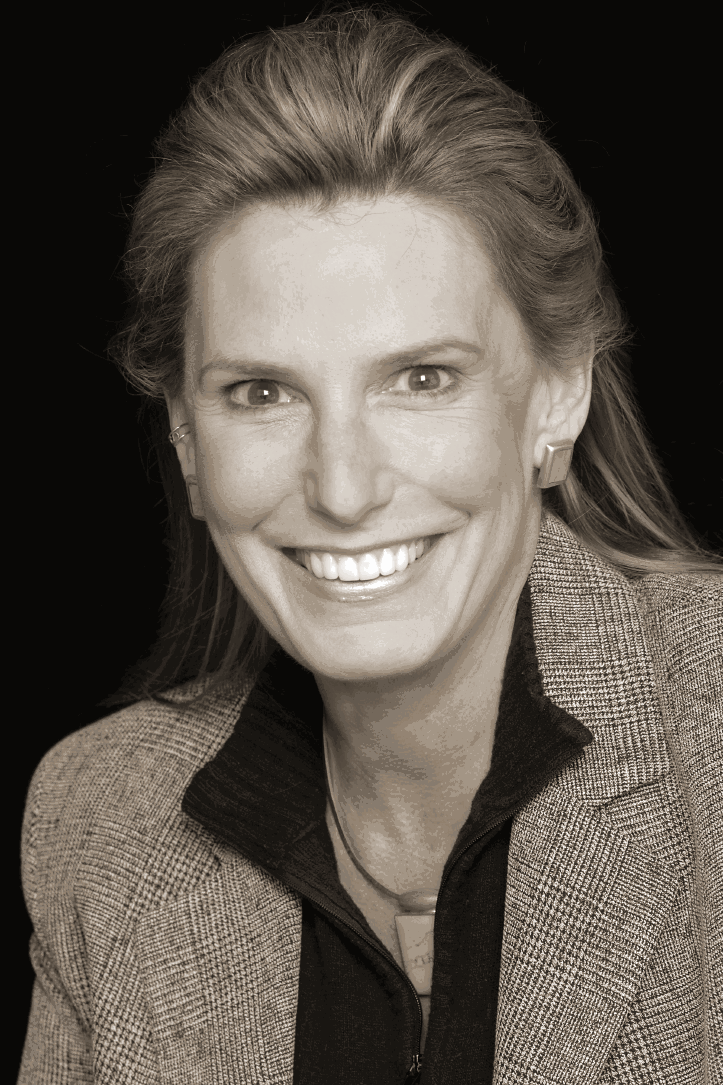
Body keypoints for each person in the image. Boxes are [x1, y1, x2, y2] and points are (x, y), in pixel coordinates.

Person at [18, 4, 722, 1083]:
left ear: (558, 392)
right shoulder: (100, 816)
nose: (342, 488)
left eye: (421, 378)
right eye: (261, 392)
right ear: (187, 439)